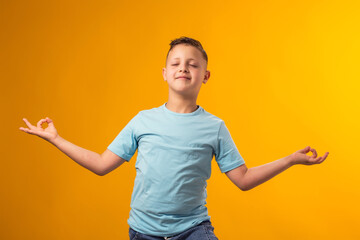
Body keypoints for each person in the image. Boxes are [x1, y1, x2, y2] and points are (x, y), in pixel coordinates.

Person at [19, 36, 329, 240]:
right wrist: (56, 139)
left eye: (193, 64)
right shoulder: (143, 120)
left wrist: (291, 159)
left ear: (205, 75)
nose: (184, 68)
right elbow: (101, 164)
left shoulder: (215, 126)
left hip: (193, 230)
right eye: (176, 63)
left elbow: (243, 179)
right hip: (143, 231)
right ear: (165, 73)